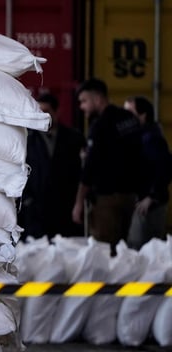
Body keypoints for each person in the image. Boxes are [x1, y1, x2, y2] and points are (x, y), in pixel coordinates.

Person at [71, 78, 148, 254]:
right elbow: (139, 156)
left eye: (84, 101)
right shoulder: (130, 119)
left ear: (98, 99)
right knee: (123, 251)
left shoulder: (100, 125)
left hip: (107, 200)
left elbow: (89, 168)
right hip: (130, 197)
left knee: (103, 252)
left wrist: (78, 202)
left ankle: (105, 282)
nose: (81, 107)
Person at [18, 93, 86, 240]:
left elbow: (81, 172)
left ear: (56, 112)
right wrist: (27, 200)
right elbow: (19, 170)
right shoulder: (27, 139)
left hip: (65, 209)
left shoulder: (74, 138)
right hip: (36, 210)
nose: (42, 116)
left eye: (46, 111)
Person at [124, 95, 172, 249]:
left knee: (141, 246)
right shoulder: (141, 136)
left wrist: (151, 197)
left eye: (129, 113)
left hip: (149, 204)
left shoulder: (152, 138)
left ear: (142, 115)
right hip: (144, 200)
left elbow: (164, 168)